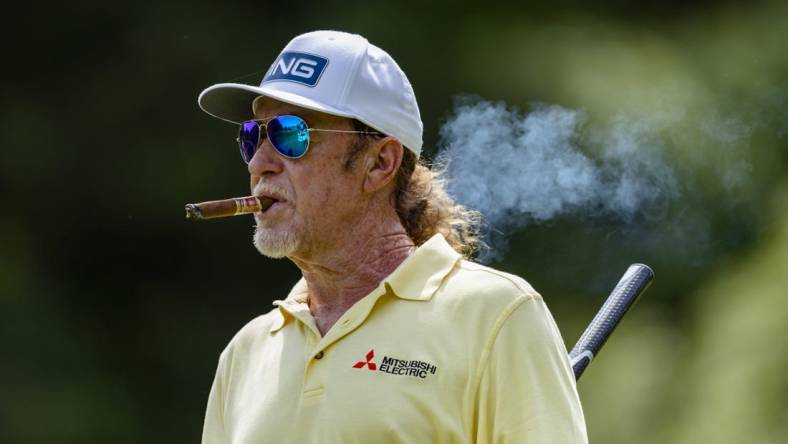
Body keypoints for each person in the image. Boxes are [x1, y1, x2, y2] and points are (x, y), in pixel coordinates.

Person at [197, 30, 588, 443]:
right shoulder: (245, 353)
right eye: (252, 136)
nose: (260, 162)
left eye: (291, 134)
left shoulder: (496, 314)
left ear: (380, 162)